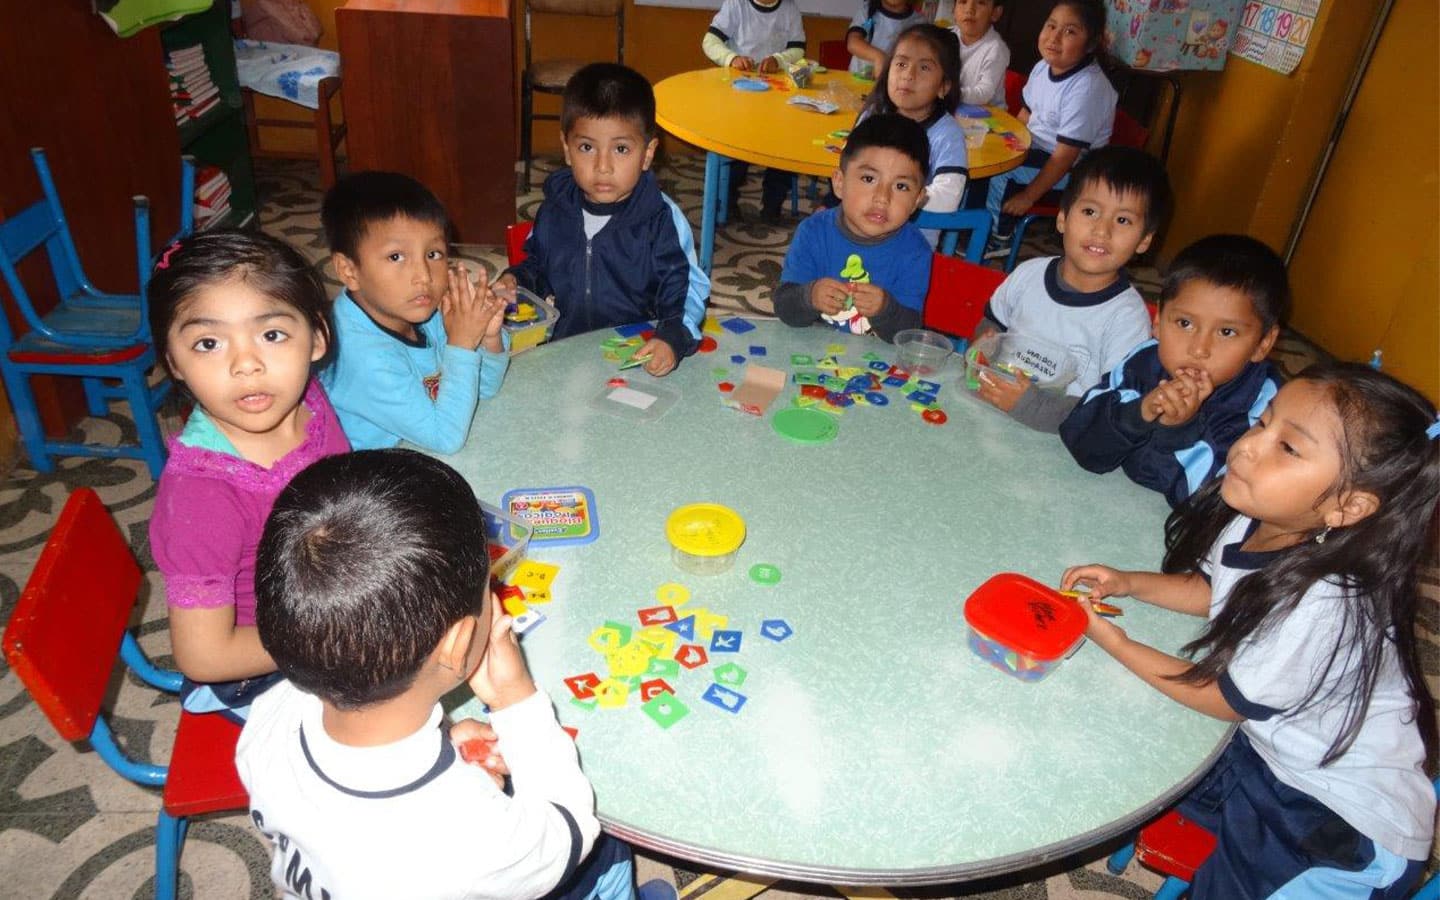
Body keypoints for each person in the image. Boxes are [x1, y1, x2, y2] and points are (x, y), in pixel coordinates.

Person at [1060, 364, 1439, 899]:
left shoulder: (1327, 601)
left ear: (1347, 506)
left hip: (1337, 823)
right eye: (1263, 422)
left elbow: (1221, 697)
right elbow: (1210, 589)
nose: (1247, 445)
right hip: (1270, 755)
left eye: (1288, 447)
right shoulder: (1259, 518)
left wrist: (1115, 642)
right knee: (1119, 757)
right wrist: (1130, 583)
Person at [238, 449, 638, 900]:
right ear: (457, 644)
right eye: (488, 587)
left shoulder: (271, 712)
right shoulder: (476, 839)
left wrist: (444, 743)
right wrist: (515, 699)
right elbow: (570, 826)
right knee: (607, 858)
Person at [147, 230, 349, 723]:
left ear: (317, 338)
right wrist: (337, 635)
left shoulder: (306, 399)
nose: (247, 365)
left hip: (330, 599)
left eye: (272, 335)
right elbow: (205, 657)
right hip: (260, 670)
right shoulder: (201, 498)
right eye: (209, 343)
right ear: (174, 362)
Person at [498, 63, 708, 377]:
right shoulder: (554, 209)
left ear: (648, 153)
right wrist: (516, 280)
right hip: (567, 351)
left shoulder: (661, 219)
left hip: (638, 355)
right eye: (586, 147)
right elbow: (537, 266)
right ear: (567, 149)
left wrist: (671, 337)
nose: (603, 166)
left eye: (621, 149)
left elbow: (685, 290)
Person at [1060, 235, 1288, 505]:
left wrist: (1177, 431)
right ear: (1158, 320)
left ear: (1263, 344)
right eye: (1184, 323)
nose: (1199, 349)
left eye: (1226, 332)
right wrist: (1137, 414)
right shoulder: (1144, 362)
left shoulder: (1265, 408)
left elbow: (1212, 503)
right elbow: (1078, 436)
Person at [973, 144, 1171, 432]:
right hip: (991, 414)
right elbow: (991, 324)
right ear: (1063, 218)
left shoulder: (1127, 319)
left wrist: (1030, 406)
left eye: (1123, 220)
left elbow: (1110, 410)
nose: (1102, 230)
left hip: (1060, 441)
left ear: (1144, 241)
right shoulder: (1028, 275)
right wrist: (983, 345)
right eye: (1090, 211)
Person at [320, 171, 509, 453]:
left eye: (433, 254)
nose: (424, 276)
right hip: (374, 470)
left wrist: (487, 338)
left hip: (421, 445)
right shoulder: (364, 355)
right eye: (396, 257)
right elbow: (445, 439)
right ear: (349, 271)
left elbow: (483, 389)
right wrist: (461, 344)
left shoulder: (418, 308)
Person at [773, 113, 933, 342]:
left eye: (901, 186)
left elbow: (908, 334)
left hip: (877, 360)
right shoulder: (813, 232)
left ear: (917, 199)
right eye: (869, 179)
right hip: (813, 351)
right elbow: (784, 308)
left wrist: (885, 309)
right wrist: (810, 296)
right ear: (839, 183)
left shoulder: (915, 250)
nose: (882, 198)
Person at [983, 0, 1117, 258]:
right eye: (1051, 26)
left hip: (1074, 168)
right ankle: (978, 220)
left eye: (1070, 31)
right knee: (987, 151)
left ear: (1091, 43)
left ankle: (999, 238)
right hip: (1038, 148)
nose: (1054, 37)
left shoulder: (1087, 88)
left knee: (1002, 172)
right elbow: (1024, 116)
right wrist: (1002, 142)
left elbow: (1065, 156)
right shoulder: (1043, 67)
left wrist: (1028, 196)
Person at [702, 0, 806, 221]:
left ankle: (772, 206)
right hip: (739, 95)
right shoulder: (736, 5)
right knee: (737, 154)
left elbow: (798, 48)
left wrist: (779, 59)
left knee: (783, 152)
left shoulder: (789, 9)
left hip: (776, 96)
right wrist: (731, 58)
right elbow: (710, 41)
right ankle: (728, 203)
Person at [855, 24, 969, 222]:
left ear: (943, 87)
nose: (908, 75)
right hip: (864, 224)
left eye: (924, 67)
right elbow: (850, 169)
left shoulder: (947, 134)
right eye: (901, 64)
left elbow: (949, 196)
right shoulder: (872, 117)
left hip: (913, 235)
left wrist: (896, 195)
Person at [844, 0, 926, 82]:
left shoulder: (918, 22)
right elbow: (853, 43)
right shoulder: (868, 14)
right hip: (858, 80)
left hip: (896, 83)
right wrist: (878, 57)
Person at [952, 0, 1009, 107]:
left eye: (980, 3)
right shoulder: (944, 37)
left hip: (988, 112)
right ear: (953, 9)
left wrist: (951, 93)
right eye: (963, 2)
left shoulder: (996, 49)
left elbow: (984, 93)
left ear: (995, 13)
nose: (969, 10)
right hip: (952, 105)